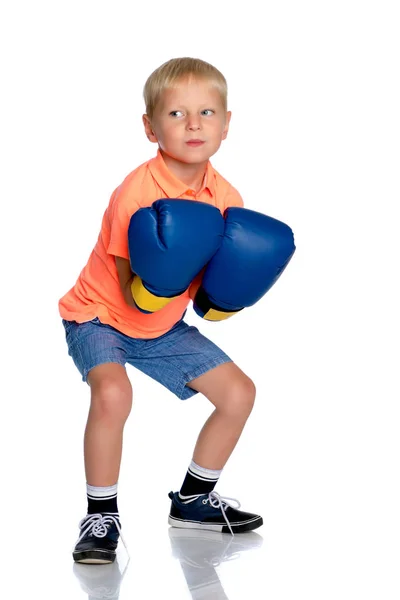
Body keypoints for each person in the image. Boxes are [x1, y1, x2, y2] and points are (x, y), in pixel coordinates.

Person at [60, 57, 267, 565]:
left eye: (206, 112)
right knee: (113, 392)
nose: (193, 124)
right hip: (100, 316)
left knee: (239, 393)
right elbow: (138, 290)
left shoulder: (227, 199)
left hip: (163, 328)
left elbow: (203, 295)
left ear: (226, 124)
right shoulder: (137, 192)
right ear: (150, 127)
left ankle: (195, 501)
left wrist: (223, 301)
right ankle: (100, 516)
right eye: (176, 114)